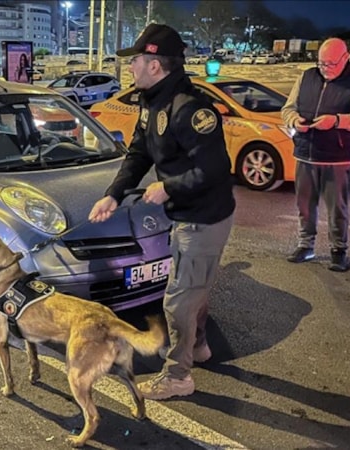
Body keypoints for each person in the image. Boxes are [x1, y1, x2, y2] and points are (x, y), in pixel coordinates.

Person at [88, 24, 235, 400]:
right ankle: (198, 346)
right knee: (192, 289)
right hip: (185, 214)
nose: (130, 66)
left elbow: (216, 169)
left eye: (135, 60)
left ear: (154, 65)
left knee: (178, 299)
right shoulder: (151, 100)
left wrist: (168, 187)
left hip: (204, 217)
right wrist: (113, 195)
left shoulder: (191, 108)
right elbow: (139, 153)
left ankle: (177, 376)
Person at [281, 38, 350, 272]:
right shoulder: (306, 76)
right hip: (305, 153)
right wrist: (294, 120)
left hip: (338, 156)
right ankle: (306, 245)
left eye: (331, 64)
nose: (325, 68)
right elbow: (288, 108)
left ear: (346, 58)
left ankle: (338, 250)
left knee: (337, 208)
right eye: (322, 63)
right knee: (304, 204)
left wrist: (336, 121)